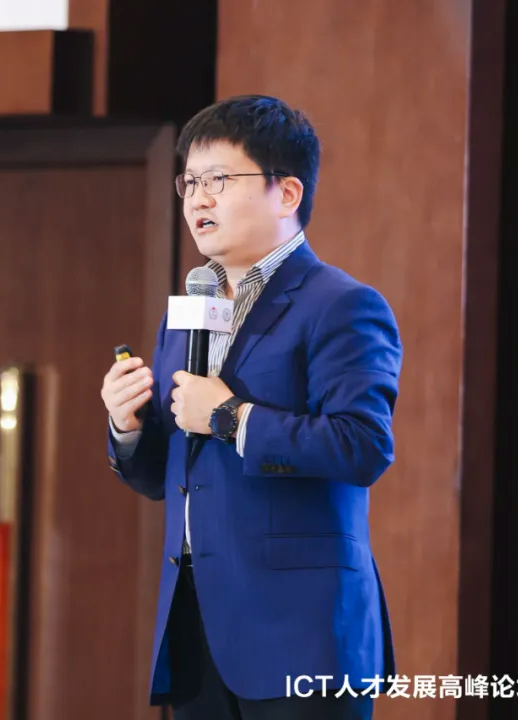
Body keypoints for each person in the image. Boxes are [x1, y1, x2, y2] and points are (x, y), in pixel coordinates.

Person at [101, 95, 401, 720]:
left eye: (218, 180)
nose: (198, 199)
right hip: (198, 629)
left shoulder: (341, 304)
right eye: (189, 182)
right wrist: (126, 427)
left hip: (303, 634)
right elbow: (167, 476)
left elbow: (362, 446)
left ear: (286, 193)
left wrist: (231, 417)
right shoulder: (186, 313)